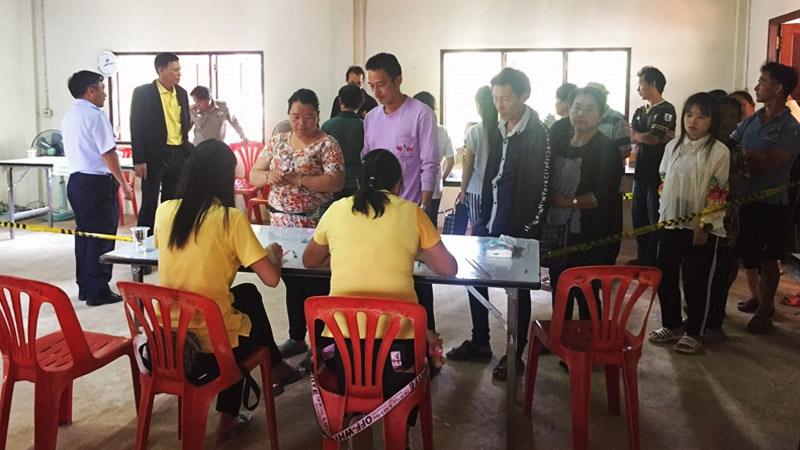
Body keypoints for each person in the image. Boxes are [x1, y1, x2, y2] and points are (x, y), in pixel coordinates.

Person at [303, 149, 457, 450]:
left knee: (361, 374)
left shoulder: (336, 210)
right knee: (432, 351)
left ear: (359, 183)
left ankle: (362, 437)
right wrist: (416, 250)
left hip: (341, 353)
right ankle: (399, 435)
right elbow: (449, 268)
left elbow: (311, 260)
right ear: (399, 184)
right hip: (398, 357)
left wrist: (344, 257)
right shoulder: (411, 212)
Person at [153, 140, 301, 439]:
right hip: (209, 345)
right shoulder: (231, 219)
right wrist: (272, 254)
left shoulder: (166, 211)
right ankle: (232, 412)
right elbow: (271, 278)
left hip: (167, 340)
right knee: (235, 329)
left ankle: (275, 365)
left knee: (246, 296)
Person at [446, 68, 550, 381]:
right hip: (492, 221)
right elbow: (493, 174)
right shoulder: (499, 126)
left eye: (505, 98)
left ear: (524, 95)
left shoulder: (537, 134)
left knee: (517, 291)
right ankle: (480, 341)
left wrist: (528, 232)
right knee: (475, 278)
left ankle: (515, 353)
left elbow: (541, 188)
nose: (499, 104)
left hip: (519, 228)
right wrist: (481, 217)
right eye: (495, 98)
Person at [249, 88, 344, 358]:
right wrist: (270, 177)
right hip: (281, 221)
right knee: (292, 280)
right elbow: (254, 174)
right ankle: (296, 337)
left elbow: (335, 181)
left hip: (314, 221)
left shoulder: (328, 144)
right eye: (295, 117)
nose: (301, 123)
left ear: (318, 116)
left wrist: (299, 179)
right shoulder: (278, 141)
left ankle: (323, 343)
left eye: (308, 117)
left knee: (317, 283)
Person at [362, 52, 440, 335]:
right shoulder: (370, 118)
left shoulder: (421, 114)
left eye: (381, 84)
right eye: (371, 85)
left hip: (410, 211)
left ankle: (427, 336)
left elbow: (429, 163)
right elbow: (367, 162)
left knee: (418, 278)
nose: (376, 91)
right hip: (376, 213)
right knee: (385, 277)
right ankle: (388, 335)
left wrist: (424, 208)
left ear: (398, 80)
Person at [648, 92, 730, 354]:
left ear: (711, 121)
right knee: (665, 275)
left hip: (700, 229)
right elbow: (664, 180)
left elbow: (718, 192)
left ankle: (695, 330)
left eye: (701, 116)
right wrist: (664, 216)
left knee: (698, 281)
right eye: (689, 114)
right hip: (670, 223)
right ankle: (672, 325)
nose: (693, 121)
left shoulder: (719, 151)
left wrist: (704, 224)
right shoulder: (672, 146)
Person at [731, 62, 800, 334]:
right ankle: (756, 297)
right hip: (743, 199)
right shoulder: (753, 119)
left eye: (763, 81)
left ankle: (764, 310)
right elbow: (731, 146)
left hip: (772, 204)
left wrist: (746, 157)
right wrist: (749, 156)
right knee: (746, 255)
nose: (757, 86)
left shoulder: (791, 127)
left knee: (768, 258)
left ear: (778, 87)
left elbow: (772, 165)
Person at [546, 86, 624, 319]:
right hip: (558, 231)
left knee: (585, 290)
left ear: (600, 115)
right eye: (577, 107)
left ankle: (590, 340)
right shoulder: (559, 141)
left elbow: (603, 196)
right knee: (559, 287)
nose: (581, 113)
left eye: (589, 109)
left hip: (590, 233)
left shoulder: (606, 149)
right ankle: (562, 336)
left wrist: (568, 202)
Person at [62, 70, 132, 306]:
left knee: (84, 235)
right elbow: (107, 153)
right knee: (101, 237)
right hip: (97, 184)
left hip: (77, 182)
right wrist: (123, 183)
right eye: (101, 89)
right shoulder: (95, 116)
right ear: (90, 91)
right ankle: (98, 290)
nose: (104, 94)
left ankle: (85, 286)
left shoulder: (69, 115)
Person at [702, 96, 748, 343]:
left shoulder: (735, 148)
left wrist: (712, 178)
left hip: (725, 221)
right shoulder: (701, 145)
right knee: (696, 267)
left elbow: (737, 180)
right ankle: (698, 312)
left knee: (720, 270)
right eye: (721, 116)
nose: (725, 122)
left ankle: (715, 321)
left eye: (732, 117)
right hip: (698, 220)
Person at [131, 52, 192, 237]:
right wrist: (139, 159)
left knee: (172, 202)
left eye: (180, 69)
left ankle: (167, 241)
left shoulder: (181, 93)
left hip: (178, 153)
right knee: (149, 202)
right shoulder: (143, 93)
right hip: (153, 155)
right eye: (175, 70)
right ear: (161, 70)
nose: (179, 73)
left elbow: (185, 122)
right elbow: (136, 126)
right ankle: (143, 251)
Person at [629, 66, 677, 266]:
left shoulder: (666, 109)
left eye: (641, 84)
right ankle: (642, 257)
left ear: (653, 84)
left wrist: (641, 136)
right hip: (639, 174)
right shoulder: (641, 111)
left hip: (658, 176)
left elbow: (654, 138)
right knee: (638, 219)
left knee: (654, 219)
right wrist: (643, 137)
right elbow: (632, 135)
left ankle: (653, 260)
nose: (638, 89)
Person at [586, 82, 633, 265]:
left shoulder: (616, 119)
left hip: (610, 185)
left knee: (610, 229)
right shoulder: (586, 118)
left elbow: (625, 150)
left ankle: (605, 268)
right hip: (587, 185)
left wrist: (601, 164)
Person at [458, 86, 501, 232]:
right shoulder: (503, 129)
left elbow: (468, 165)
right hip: (497, 191)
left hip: (476, 190)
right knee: (493, 228)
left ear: (479, 106)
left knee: (477, 230)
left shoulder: (474, 131)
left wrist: (463, 190)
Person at [413, 91, 455, 227]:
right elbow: (450, 160)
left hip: (413, 188)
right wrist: (441, 179)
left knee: (413, 226)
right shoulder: (442, 131)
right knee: (430, 226)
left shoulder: (412, 130)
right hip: (434, 188)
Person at [321, 83, 365, 198]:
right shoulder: (365, 126)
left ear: (340, 101)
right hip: (357, 183)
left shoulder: (327, 126)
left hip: (332, 182)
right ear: (361, 102)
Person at [547, 82, 577, 148]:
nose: (555, 104)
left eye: (557, 100)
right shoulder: (580, 124)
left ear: (566, 103)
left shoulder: (557, 128)